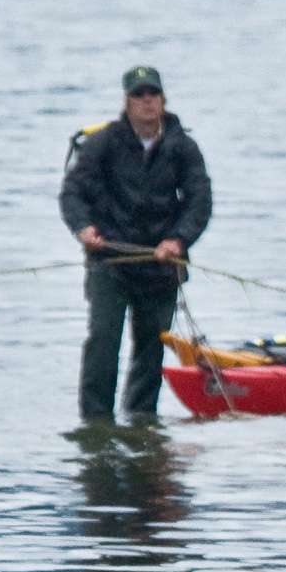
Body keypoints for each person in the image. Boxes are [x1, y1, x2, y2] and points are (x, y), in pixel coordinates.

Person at [59, 65, 212, 422]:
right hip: (110, 263)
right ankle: (96, 422)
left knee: (150, 348)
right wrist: (84, 229)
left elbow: (199, 200)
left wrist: (178, 239)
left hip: (161, 266)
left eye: (152, 94)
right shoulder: (102, 144)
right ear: (127, 102)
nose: (146, 101)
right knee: (103, 340)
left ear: (162, 100)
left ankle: (141, 420)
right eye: (138, 95)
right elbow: (72, 194)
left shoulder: (183, 147)